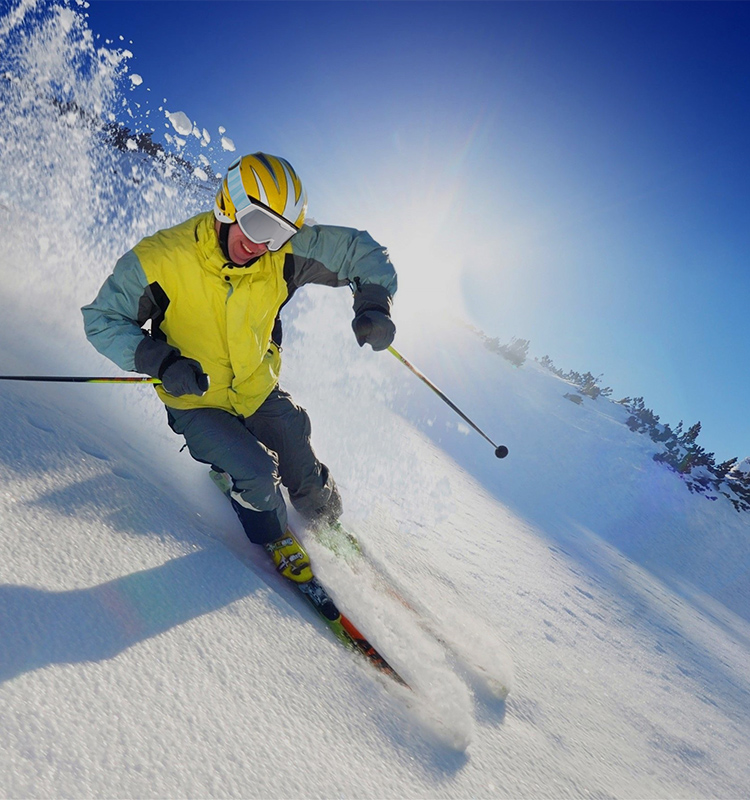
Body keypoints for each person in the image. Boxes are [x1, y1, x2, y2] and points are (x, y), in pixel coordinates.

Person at [82, 152, 397, 583]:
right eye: (256, 225)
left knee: (299, 454)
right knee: (257, 475)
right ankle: (273, 535)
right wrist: (160, 360)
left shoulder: (279, 252)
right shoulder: (162, 258)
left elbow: (359, 249)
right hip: (195, 398)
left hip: (256, 387)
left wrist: (375, 303)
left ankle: (325, 520)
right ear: (227, 204)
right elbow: (103, 319)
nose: (260, 244)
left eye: (279, 233)